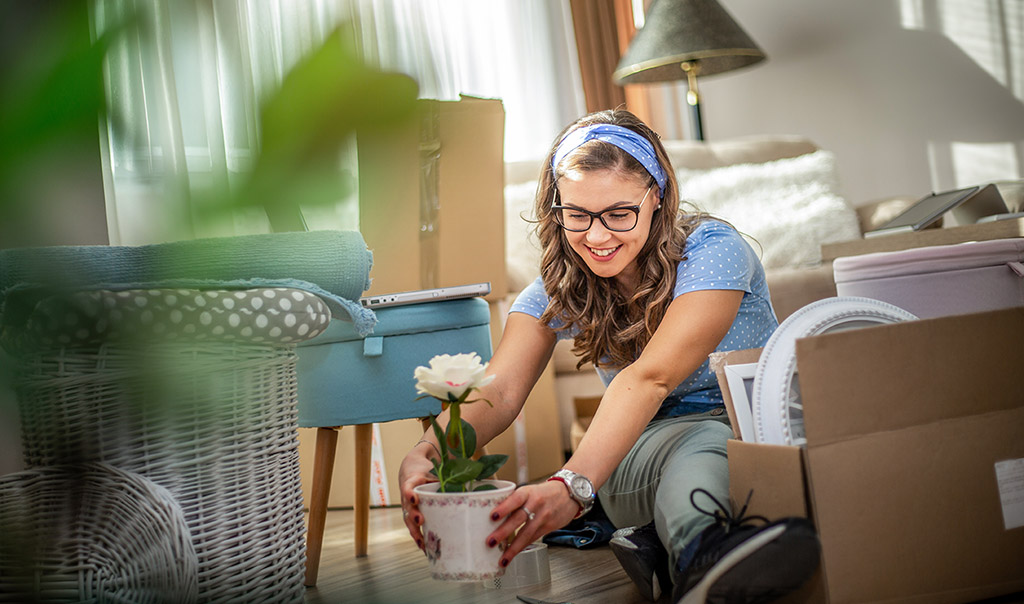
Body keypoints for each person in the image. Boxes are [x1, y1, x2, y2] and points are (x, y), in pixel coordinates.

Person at [398, 109, 820, 603]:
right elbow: (502, 389)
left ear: (656, 197)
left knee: (710, 441)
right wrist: (427, 452)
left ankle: (681, 557)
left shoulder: (715, 250)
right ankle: (701, 559)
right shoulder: (556, 289)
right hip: (633, 451)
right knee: (700, 448)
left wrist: (570, 485)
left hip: (754, 428)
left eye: (620, 214)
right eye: (577, 215)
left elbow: (652, 377)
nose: (597, 237)